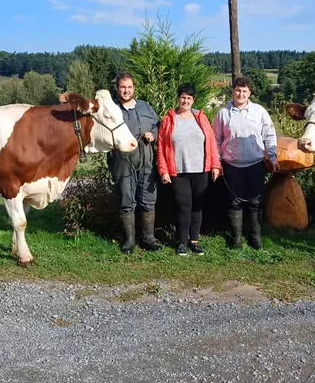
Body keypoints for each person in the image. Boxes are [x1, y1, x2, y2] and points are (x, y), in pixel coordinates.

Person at [212, 75, 280, 249]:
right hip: (231, 165)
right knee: (234, 202)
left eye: (244, 91)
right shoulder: (223, 114)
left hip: (255, 164)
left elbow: (270, 135)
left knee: (255, 202)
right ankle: (236, 238)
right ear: (232, 91)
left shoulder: (259, 111)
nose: (240, 94)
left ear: (249, 93)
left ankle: (255, 237)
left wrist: (272, 157)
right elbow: (216, 140)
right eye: (237, 91)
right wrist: (218, 163)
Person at [157, 83, 221, 256]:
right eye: (183, 97)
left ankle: (195, 241)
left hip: (201, 170)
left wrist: (215, 166)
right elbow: (162, 146)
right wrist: (163, 170)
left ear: (193, 100)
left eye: (189, 98)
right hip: (178, 172)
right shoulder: (169, 119)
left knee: (197, 207)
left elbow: (211, 143)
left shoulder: (201, 117)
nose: (186, 101)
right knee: (183, 206)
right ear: (178, 98)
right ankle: (182, 242)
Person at [107, 72, 162, 254]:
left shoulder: (146, 107)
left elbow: (158, 125)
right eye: (123, 87)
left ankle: (148, 240)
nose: (126, 90)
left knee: (148, 200)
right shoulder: (112, 110)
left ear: (134, 88)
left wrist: (153, 134)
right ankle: (129, 241)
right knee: (126, 201)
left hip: (146, 162)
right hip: (122, 163)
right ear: (117, 89)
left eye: (129, 87)